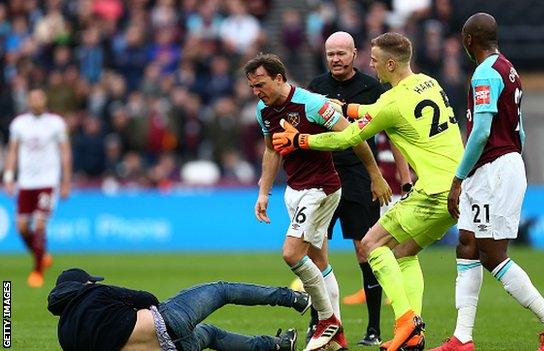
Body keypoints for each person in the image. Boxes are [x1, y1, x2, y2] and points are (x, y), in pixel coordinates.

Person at [272, 32, 464, 351]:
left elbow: (346, 139)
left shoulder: (391, 100)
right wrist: (345, 108)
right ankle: (413, 334)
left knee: (372, 244)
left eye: (375, 60)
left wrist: (301, 141)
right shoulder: (428, 83)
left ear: (390, 63)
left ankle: (405, 321)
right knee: (403, 253)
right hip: (456, 189)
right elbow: (375, 111)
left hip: (431, 192)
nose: (371, 65)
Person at [431, 13, 544, 351]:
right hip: (497, 165)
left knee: (492, 254)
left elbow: (480, 131)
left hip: (492, 169)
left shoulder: (484, 73)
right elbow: (520, 131)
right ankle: (462, 338)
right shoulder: (509, 70)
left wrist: (459, 178)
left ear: (469, 41)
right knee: (466, 243)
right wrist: (509, 159)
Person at [244, 53, 391, 351]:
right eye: (252, 87)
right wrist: (264, 191)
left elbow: (354, 136)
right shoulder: (264, 110)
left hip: (321, 189)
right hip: (295, 191)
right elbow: (271, 151)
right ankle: (338, 338)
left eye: (260, 85)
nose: (256, 92)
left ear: (279, 79)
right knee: (319, 262)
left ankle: (327, 320)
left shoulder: (312, 104)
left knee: (291, 254)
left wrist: (375, 175)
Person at [305, 31, 411, 347]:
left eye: (341, 53)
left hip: (358, 177)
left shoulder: (372, 87)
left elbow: (393, 136)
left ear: (354, 54)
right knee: (315, 252)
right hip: (321, 176)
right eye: (330, 54)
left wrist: (403, 180)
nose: (335, 59)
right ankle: (319, 323)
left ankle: (374, 328)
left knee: (366, 250)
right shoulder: (316, 87)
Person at [47, 268, 306, 351]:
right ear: (84, 284)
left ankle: (278, 345)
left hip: (170, 348)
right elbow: (147, 297)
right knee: (223, 289)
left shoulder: (65, 337)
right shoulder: (94, 292)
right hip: (168, 322)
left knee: (211, 335)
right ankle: (294, 298)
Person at [3, 88, 72, 288]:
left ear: (45, 100)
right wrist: (8, 176)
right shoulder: (19, 124)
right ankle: (41, 255)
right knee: (22, 228)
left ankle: (37, 271)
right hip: (25, 182)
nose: (36, 102)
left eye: (39, 98)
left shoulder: (56, 123)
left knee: (40, 226)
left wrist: (66, 181)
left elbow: (65, 152)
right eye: (32, 98)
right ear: (28, 101)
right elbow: (13, 151)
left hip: (47, 182)